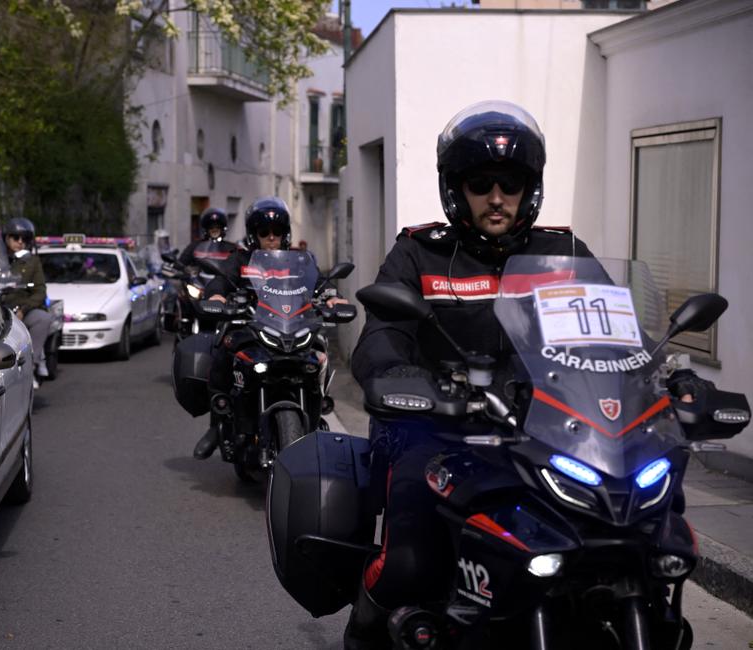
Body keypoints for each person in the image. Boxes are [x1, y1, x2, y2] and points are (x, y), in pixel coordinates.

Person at [344, 100, 704, 649]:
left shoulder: (566, 253)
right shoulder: (420, 254)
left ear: (528, 187)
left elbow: (617, 339)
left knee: (656, 512)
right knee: (411, 549)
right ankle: (370, 626)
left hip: (549, 435)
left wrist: (665, 378)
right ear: (456, 189)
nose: (496, 197)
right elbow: (382, 335)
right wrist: (398, 374)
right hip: (444, 431)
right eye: (480, 182)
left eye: (509, 182)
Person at [192, 196, 346, 459]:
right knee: (224, 344)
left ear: (285, 234)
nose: (271, 238)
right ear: (254, 235)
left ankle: (317, 404)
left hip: (291, 325)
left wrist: (332, 296)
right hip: (251, 324)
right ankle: (217, 421)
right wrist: (216, 295)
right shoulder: (240, 259)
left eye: (277, 232)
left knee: (319, 347)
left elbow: (319, 283)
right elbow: (222, 281)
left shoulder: (299, 260)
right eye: (265, 232)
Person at [1, 217, 52, 388]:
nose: (20, 242)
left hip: (23, 308)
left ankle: (33, 365)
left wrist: (24, 308)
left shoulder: (32, 262)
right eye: (16, 237)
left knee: (42, 318)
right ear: (6, 238)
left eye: (25, 239)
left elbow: (40, 291)